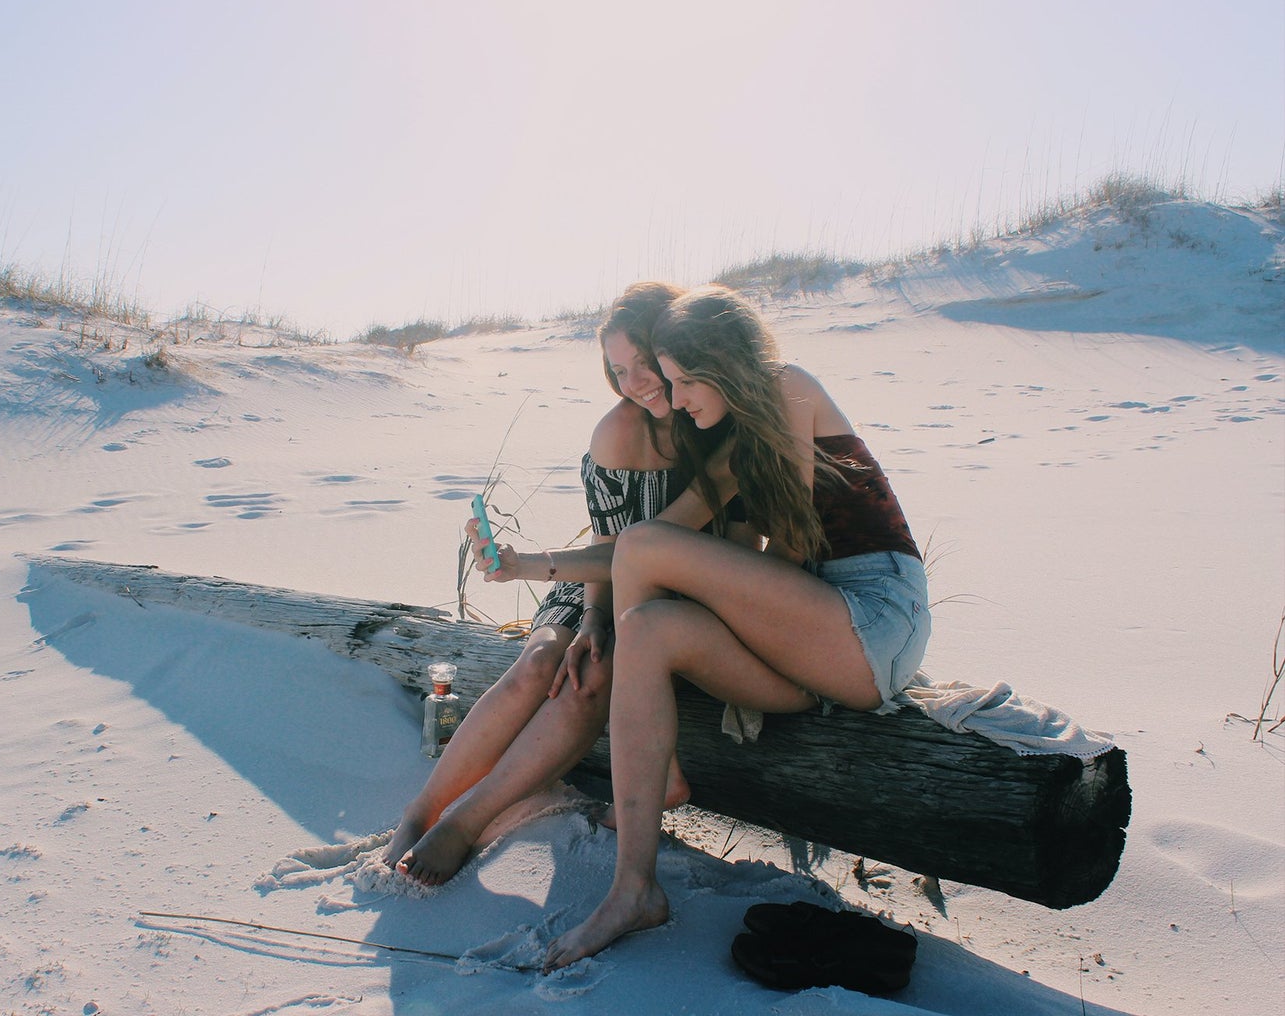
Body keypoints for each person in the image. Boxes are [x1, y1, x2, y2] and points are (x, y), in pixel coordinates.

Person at [543, 285, 931, 972]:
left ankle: (659, 778)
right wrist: (528, 566)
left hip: (872, 620)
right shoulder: (739, 440)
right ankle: (633, 889)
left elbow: (780, 557)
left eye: (687, 380)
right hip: (813, 646)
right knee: (650, 626)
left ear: (727, 364)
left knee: (642, 556)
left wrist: (667, 574)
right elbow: (660, 537)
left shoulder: (788, 390)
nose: (678, 396)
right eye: (671, 380)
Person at [386, 281, 712, 886]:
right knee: (541, 660)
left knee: (588, 678)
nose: (637, 381)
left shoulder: (707, 419)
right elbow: (607, 541)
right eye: (619, 370)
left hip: (674, 598)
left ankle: (466, 823)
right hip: (597, 582)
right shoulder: (618, 432)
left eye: (645, 362)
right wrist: (590, 618)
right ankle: (422, 811)